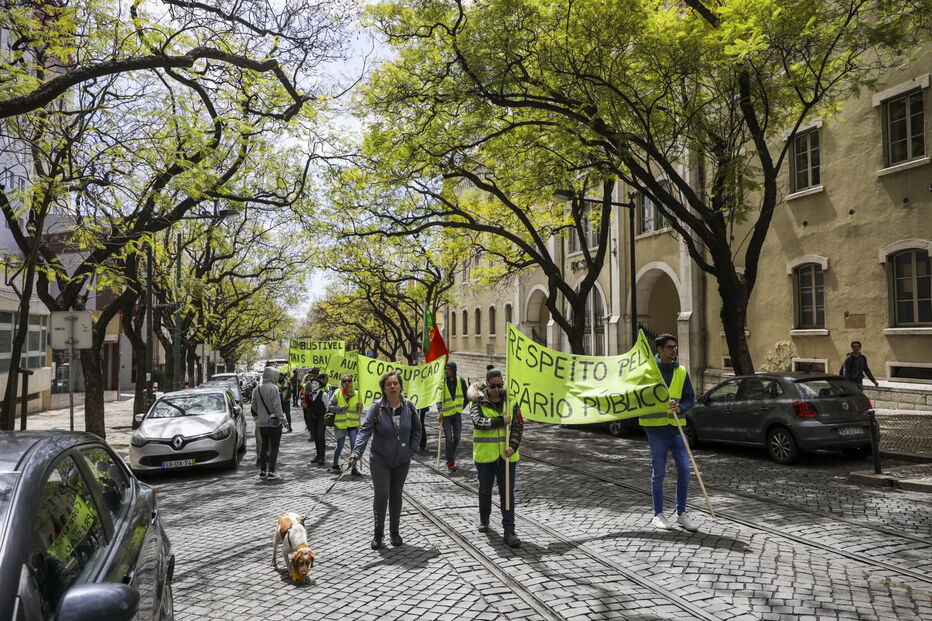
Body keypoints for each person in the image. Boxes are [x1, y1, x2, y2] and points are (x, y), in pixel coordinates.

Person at [347, 371, 422, 550]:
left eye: (395, 383)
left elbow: (417, 430)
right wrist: (356, 453)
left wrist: (411, 450)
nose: (393, 387)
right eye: (389, 384)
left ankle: (394, 532)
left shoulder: (409, 407)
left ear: (401, 386)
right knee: (382, 495)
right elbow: (364, 431)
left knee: (396, 495)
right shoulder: (377, 407)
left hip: (402, 461)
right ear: (383, 388)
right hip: (380, 460)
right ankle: (378, 534)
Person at [639, 334, 698, 532]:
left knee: (684, 469)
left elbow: (690, 398)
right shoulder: (648, 371)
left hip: (677, 429)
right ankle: (658, 514)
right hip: (655, 430)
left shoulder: (681, 372)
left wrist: (681, 407)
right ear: (659, 349)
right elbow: (637, 396)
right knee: (659, 473)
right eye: (670, 347)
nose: (674, 351)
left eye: (675, 347)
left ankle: (681, 513)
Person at [469, 368, 523, 547]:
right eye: (493, 386)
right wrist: (501, 421)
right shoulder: (477, 402)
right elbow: (479, 423)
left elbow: (517, 427)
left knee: (507, 493)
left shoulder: (511, 401)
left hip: (507, 457)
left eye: (500, 385)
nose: (497, 389)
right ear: (487, 385)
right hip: (485, 456)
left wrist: (513, 447)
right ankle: (485, 519)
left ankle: (510, 531)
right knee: (485, 490)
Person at [252, 366, 285, 479]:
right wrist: (284, 421)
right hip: (273, 423)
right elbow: (277, 407)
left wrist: (261, 414)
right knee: (274, 447)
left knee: (264, 447)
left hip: (262, 423)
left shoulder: (257, 389)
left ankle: (262, 472)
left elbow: (254, 406)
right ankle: (271, 472)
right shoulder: (274, 388)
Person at [437, 361, 468, 472]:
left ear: (454, 370)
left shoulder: (461, 381)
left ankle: (451, 454)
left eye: (449, 369)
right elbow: (439, 398)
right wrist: (440, 410)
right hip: (446, 415)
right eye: (446, 369)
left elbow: (466, 396)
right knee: (449, 439)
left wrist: (461, 408)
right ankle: (450, 461)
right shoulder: (442, 382)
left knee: (457, 437)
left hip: (457, 414)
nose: (446, 371)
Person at [330, 375, 362, 476]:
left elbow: (360, 410)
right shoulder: (337, 393)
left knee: (354, 447)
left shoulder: (357, 393)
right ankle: (335, 464)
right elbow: (329, 407)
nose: (347, 383)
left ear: (352, 382)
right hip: (341, 425)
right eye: (344, 381)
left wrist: (360, 407)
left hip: (353, 425)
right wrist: (340, 408)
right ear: (342, 382)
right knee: (340, 446)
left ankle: (354, 468)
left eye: (349, 381)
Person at [303, 374, 329, 464]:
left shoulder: (323, 394)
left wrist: (327, 418)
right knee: (315, 436)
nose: (313, 385)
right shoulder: (309, 395)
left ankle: (322, 456)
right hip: (313, 419)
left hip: (321, 419)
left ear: (319, 385)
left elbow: (327, 407)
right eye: (312, 383)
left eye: (315, 383)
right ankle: (318, 455)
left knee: (320, 436)